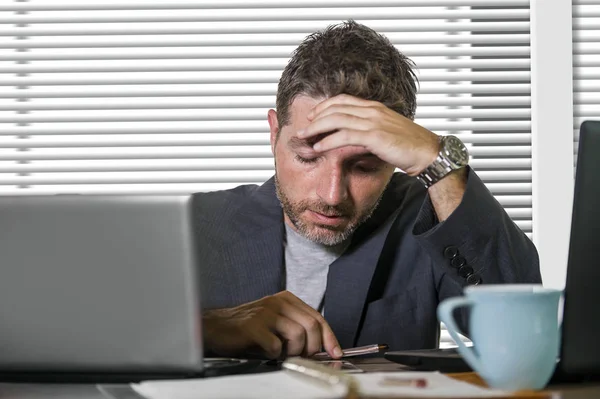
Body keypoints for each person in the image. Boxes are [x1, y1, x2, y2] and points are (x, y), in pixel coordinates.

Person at [194, 21, 541, 360]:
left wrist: (437, 159)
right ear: (274, 134)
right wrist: (204, 329)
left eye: (365, 167)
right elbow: (140, 336)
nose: (332, 196)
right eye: (308, 157)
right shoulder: (196, 224)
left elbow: (525, 335)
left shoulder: (431, 216)